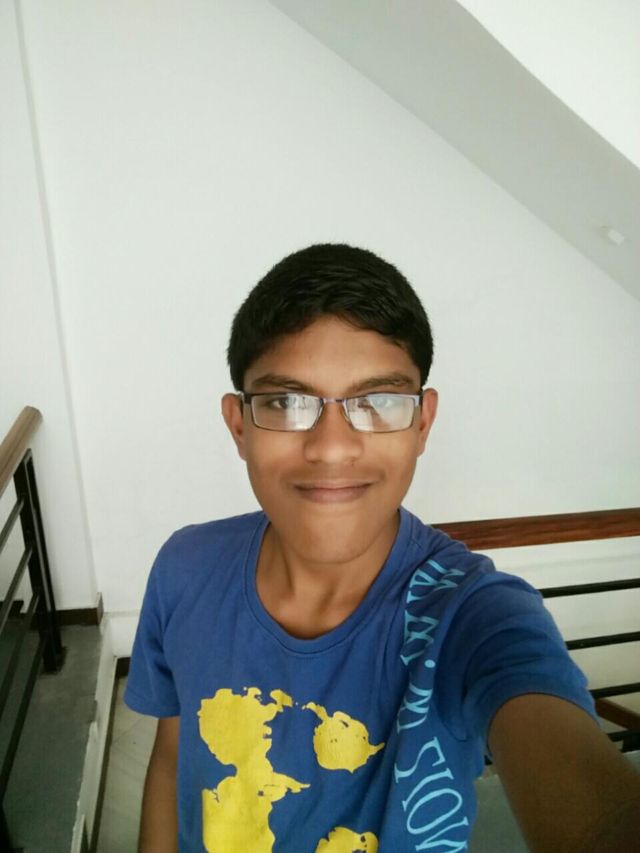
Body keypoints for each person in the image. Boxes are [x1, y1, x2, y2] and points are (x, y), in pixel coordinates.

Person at [125, 243, 640, 852]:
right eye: (286, 402)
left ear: (423, 422)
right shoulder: (184, 569)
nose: (331, 448)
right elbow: (173, 757)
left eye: (379, 401)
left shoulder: (472, 615)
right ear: (239, 426)